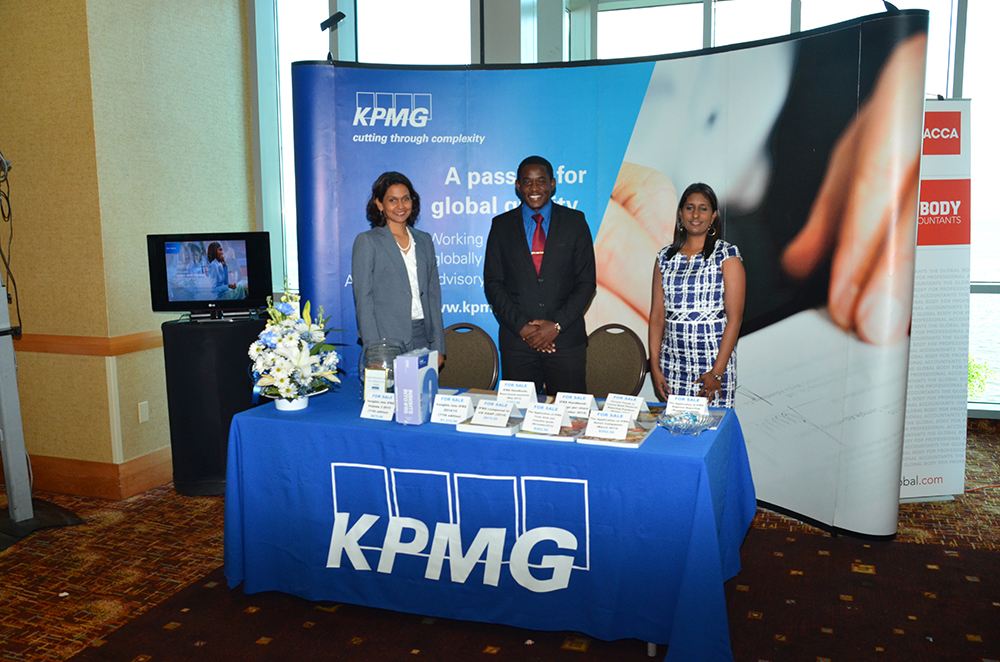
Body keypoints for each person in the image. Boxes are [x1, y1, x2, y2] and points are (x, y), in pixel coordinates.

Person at [483, 155, 596, 395]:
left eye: (541, 181)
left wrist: (556, 326)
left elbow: (586, 283)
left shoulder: (575, 222)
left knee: (570, 415)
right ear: (518, 186)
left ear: (552, 184)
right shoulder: (501, 226)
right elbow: (493, 283)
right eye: (527, 182)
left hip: (566, 343)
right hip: (518, 345)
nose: (534, 188)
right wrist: (523, 328)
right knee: (517, 414)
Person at [648, 183, 745, 408]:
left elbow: (735, 319)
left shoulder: (727, 255)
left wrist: (717, 373)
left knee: (714, 427)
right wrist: (655, 367)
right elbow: (657, 317)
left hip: (713, 365)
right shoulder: (664, 257)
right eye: (690, 207)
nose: (695, 214)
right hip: (672, 366)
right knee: (676, 428)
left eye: (703, 208)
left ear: (713, 216)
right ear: (680, 214)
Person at [351, 171, 446, 368]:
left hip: (423, 338)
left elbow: (433, 295)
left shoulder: (424, 240)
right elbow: (364, 301)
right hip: (385, 341)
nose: (400, 206)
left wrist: (439, 347)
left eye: (405, 199)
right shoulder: (368, 241)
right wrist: (375, 351)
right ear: (379, 204)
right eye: (392, 200)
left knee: (421, 390)